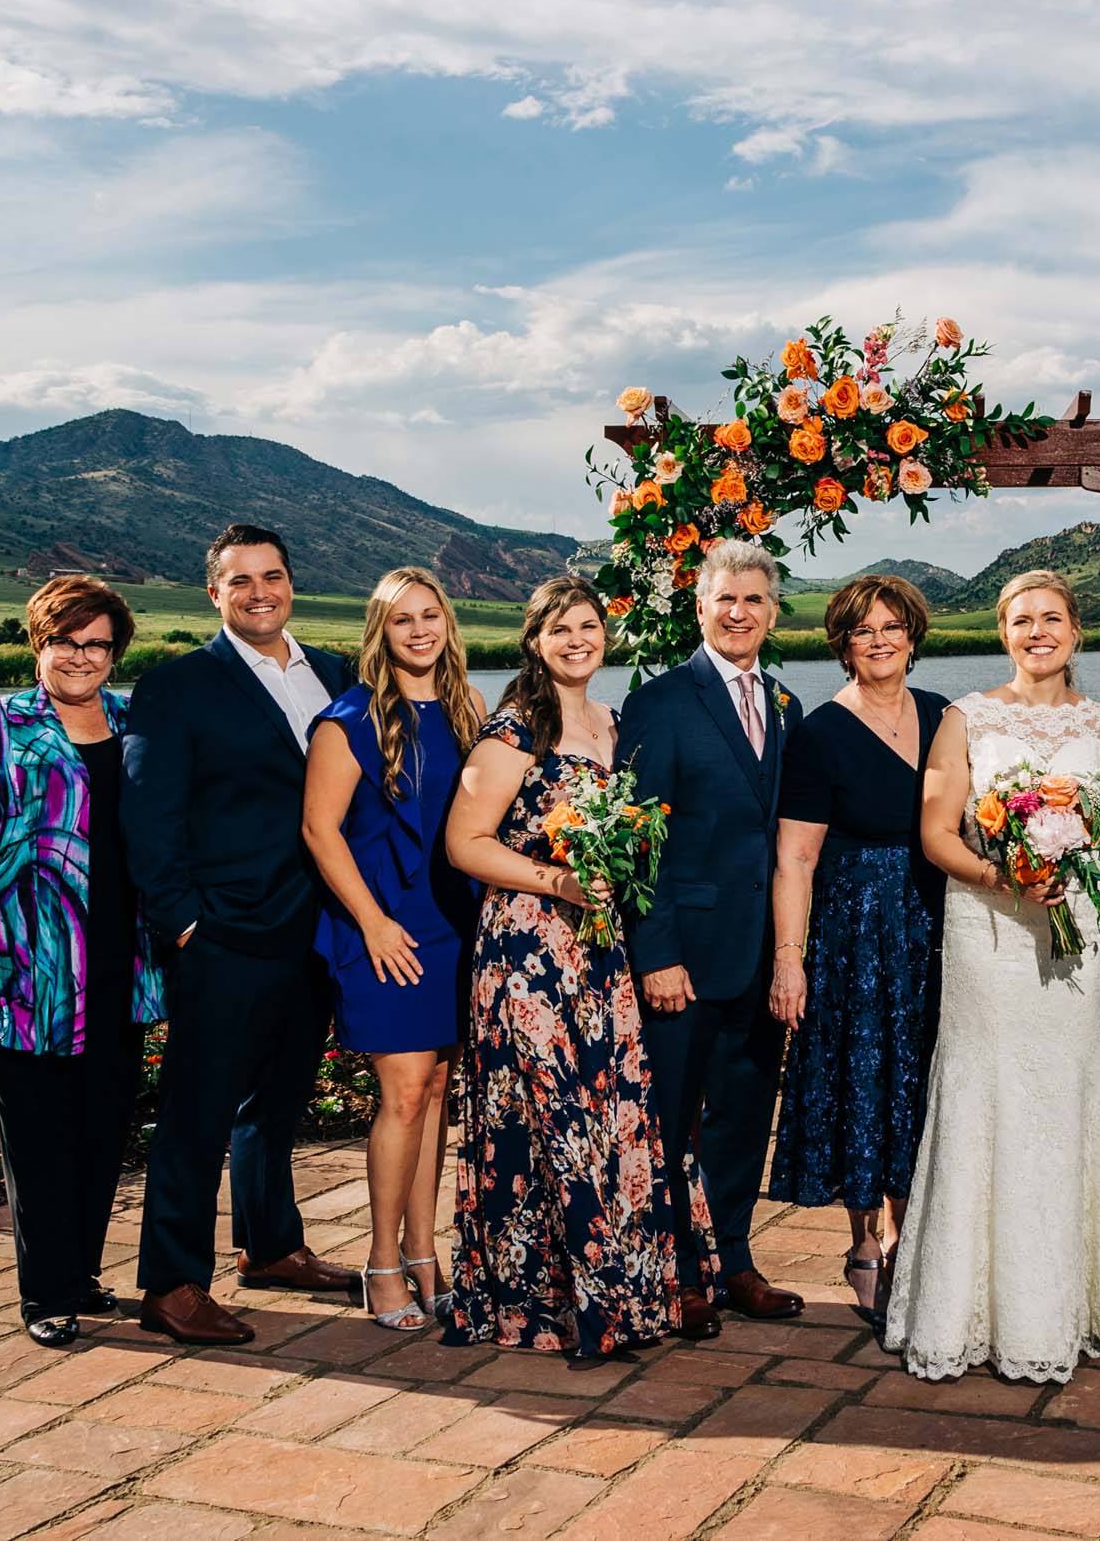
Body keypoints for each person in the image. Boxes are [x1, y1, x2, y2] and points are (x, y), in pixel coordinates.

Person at [885, 569, 1100, 1382]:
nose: (1037, 631)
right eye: (1021, 620)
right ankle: (970, 1304)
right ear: (1003, 630)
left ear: (1076, 630)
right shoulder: (965, 718)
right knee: (989, 1092)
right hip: (989, 933)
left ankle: (1085, 1298)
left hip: (1082, 932)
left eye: (1052, 618)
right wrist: (1000, 877)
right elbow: (936, 834)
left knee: (1073, 1090)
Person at [442, 575, 715, 1358]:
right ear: (534, 639)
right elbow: (466, 842)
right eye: (558, 628)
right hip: (528, 949)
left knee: (606, 1113)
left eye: (588, 625)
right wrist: (556, 879)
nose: (576, 639)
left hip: (599, 948)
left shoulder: (615, 721)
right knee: (546, 1117)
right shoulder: (512, 729)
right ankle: (547, 1304)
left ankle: (622, 1292)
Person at [124, 524, 357, 1345]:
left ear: (292, 583)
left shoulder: (337, 673)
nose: (261, 591)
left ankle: (271, 1246)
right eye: (241, 580)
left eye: (274, 576)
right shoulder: (177, 686)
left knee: (279, 1100)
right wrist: (185, 924)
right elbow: (148, 821)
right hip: (221, 935)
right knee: (197, 1111)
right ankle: (172, 1282)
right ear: (214, 593)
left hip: (315, 931)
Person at [0, 575, 165, 1348]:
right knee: (38, 1138)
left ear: (115, 652)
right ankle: (44, 1294)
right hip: (25, 966)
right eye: (66, 640)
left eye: (97, 643)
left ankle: (81, 1274)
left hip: (121, 968)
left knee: (102, 1131)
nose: (81, 656)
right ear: (40, 642)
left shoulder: (133, 725)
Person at [617, 539, 806, 1338]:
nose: (739, 613)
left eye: (755, 600)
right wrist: (655, 950)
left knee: (741, 1112)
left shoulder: (788, 703)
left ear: (770, 612)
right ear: (699, 607)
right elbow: (637, 838)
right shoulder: (660, 702)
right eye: (725, 599)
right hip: (684, 958)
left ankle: (733, 1259)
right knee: (670, 1117)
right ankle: (676, 1271)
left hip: (762, 955)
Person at [300, 567, 485, 1331]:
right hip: (383, 925)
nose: (419, 630)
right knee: (403, 1093)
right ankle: (382, 1259)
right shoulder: (348, 719)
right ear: (381, 631)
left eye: (430, 615)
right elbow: (319, 830)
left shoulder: (469, 710)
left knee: (438, 1092)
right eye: (402, 618)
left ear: (447, 623)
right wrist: (373, 922)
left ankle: (423, 1249)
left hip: (453, 923)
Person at [768, 574, 949, 1328]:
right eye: (863, 629)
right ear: (842, 643)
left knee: (926, 1079)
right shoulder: (819, 732)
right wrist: (789, 956)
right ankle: (864, 1243)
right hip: (856, 934)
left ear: (913, 634)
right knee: (864, 1079)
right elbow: (796, 860)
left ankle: (916, 1240)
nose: (879, 639)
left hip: (936, 924)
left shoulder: (944, 715)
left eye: (892, 625)